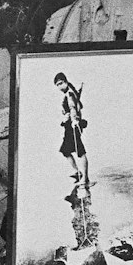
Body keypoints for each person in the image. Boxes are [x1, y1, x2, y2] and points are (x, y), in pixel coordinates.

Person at [54, 71, 89, 202]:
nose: (59, 87)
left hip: (74, 126)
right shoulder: (71, 92)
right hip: (69, 126)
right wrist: (66, 118)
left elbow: (73, 108)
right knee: (65, 150)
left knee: (80, 151)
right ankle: (78, 172)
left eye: (60, 83)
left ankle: (84, 178)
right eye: (57, 85)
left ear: (66, 82)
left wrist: (74, 120)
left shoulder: (69, 94)